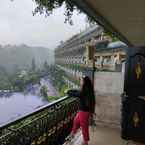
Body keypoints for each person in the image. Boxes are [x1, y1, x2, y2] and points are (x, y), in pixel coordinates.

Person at [67, 76, 96, 145]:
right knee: (76, 121)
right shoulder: (88, 89)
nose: (80, 82)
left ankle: (85, 142)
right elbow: (77, 91)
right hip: (83, 111)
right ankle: (72, 134)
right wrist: (70, 90)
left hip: (84, 111)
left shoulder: (84, 91)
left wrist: (68, 92)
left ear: (85, 82)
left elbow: (76, 94)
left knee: (84, 126)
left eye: (81, 81)